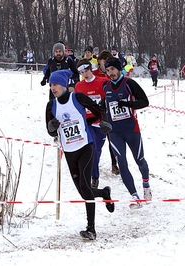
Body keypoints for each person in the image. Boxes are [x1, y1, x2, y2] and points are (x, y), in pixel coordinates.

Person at [45, 69, 115, 240]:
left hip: (85, 146)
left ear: (63, 84)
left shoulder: (77, 97)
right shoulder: (51, 105)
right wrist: (52, 127)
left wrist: (104, 121)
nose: (53, 87)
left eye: (55, 84)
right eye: (51, 85)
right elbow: (49, 130)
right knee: (83, 191)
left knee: (85, 185)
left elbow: (98, 109)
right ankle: (104, 193)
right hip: (69, 151)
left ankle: (91, 229)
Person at [102, 58, 151, 208]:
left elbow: (145, 102)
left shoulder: (129, 84)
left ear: (118, 69)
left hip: (131, 130)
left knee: (139, 160)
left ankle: (146, 185)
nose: (110, 73)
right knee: (122, 163)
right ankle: (134, 196)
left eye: (113, 70)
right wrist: (103, 121)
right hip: (115, 132)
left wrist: (128, 104)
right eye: (108, 70)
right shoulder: (106, 86)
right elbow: (103, 106)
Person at [74, 59, 109, 189]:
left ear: (90, 69)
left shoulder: (102, 82)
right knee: (90, 150)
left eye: (86, 71)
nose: (85, 74)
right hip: (87, 123)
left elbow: (110, 99)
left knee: (97, 151)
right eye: (82, 72)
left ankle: (94, 174)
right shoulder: (79, 86)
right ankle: (93, 177)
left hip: (100, 123)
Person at [96, 50, 120, 175]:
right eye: (100, 64)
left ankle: (114, 163)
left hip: (113, 110)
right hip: (100, 109)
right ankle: (94, 162)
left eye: (102, 63)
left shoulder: (113, 74)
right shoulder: (98, 74)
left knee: (113, 138)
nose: (102, 67)